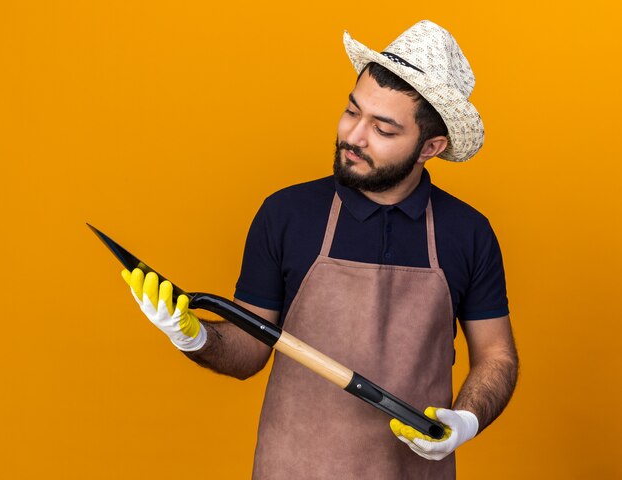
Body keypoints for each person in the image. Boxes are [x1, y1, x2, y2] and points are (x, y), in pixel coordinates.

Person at [121, 20, 518, 479]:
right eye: (353, 112)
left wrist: (465, 419)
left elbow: (497, 356)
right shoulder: (287, 215)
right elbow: (249, 349)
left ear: (431, 146)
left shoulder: (467, 232)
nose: (354, 136)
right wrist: (195, 336)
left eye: (383, 129)